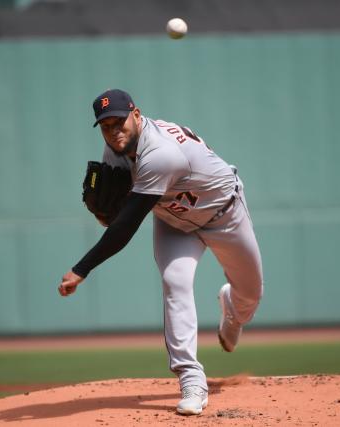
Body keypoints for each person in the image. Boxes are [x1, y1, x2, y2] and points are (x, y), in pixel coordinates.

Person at [58, 89, 264, 415]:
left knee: (250, 296)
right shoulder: (116, 149)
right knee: (175, 281)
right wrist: (105, 211)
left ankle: (233, 310)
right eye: (105, 125)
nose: (113, 131)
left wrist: (82, 268)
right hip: (174, 221)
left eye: (119, 121)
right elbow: (115, 212)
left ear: (136, 115)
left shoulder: (160, 154)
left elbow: (125, 227)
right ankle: (191, 379)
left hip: (224, 214)